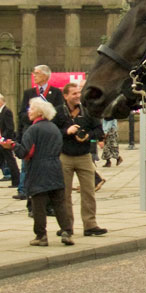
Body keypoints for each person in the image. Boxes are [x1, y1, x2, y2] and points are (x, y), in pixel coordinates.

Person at [0, 97, 74, 247]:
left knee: (38, 204)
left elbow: (26, 153)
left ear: (39, 112)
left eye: (31, 108)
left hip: (38, 169)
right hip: (55, 167)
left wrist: (12, 146)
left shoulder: (33, 130)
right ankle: (67, 232)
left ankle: (41, 236)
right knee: (59, 203)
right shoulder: (54, 128)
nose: (28, 111)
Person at [54, 82, 107, 238]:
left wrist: (87, 136)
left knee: (88, 192)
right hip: (65, 156)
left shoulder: (87, 111)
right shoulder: (59, 112)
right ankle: (66, 226)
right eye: (74, 93)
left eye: (79, 93)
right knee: (65, 194)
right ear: (65, 96)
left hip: (84, 156)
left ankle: (90, 225)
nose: (78, 96)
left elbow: (98, 130)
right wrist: (66, 131)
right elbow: (52, 130)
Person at [16, 65, 64, 200]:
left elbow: (59, 114)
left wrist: (46, 119)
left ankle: (47, 191)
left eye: (36, 73)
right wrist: (34, 119)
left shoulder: (55, 93)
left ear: (45, 76)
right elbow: (22, 114)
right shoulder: (29, 93)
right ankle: (24, 189)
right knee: (27, 163)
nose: (34, 75)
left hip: (47, 135)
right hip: (31, 132)